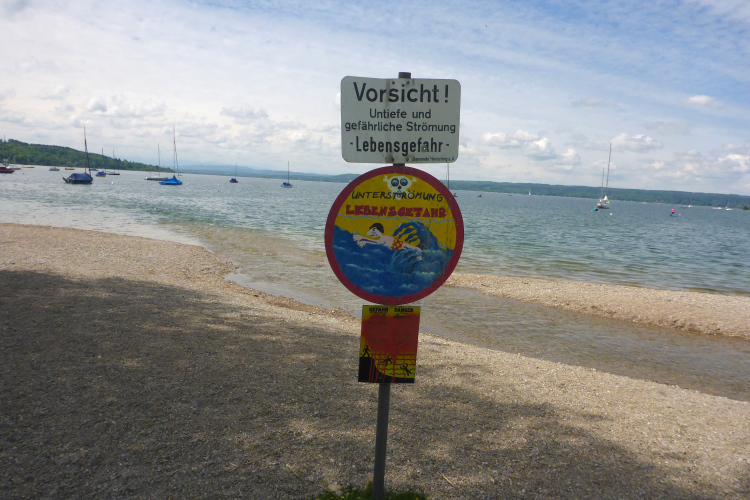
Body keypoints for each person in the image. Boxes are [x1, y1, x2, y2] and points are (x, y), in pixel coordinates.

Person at [353, 223, 422, 259]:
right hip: (397, 247)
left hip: (399, 246)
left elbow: (377, 242)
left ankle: (419, 253)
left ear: (377, 230)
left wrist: (363, 239)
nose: (373, 234)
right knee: (409, 249)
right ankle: (418, 255)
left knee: (410, 248)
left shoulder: (384, 238)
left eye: (374, 231)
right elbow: (376, 242)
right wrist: (363, 240)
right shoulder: (382, 238)